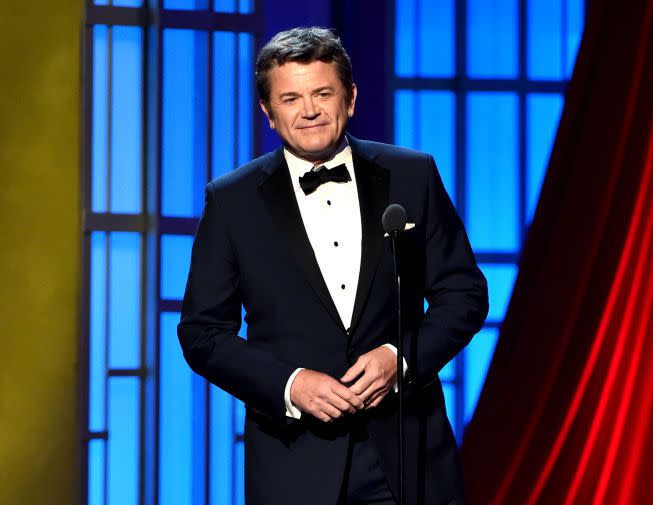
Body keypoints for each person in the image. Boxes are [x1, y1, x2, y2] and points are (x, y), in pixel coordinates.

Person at [178, 27, 488, 505]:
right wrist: (290, 384)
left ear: (351, 97)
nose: (309, 111)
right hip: (294, 460)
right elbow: (202, 333)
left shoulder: (412, 174)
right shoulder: (232, 200)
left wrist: (400, 359)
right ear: (268, 111)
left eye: (323, 93)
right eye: (291, 98)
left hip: (406, 453)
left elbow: (463, 294)